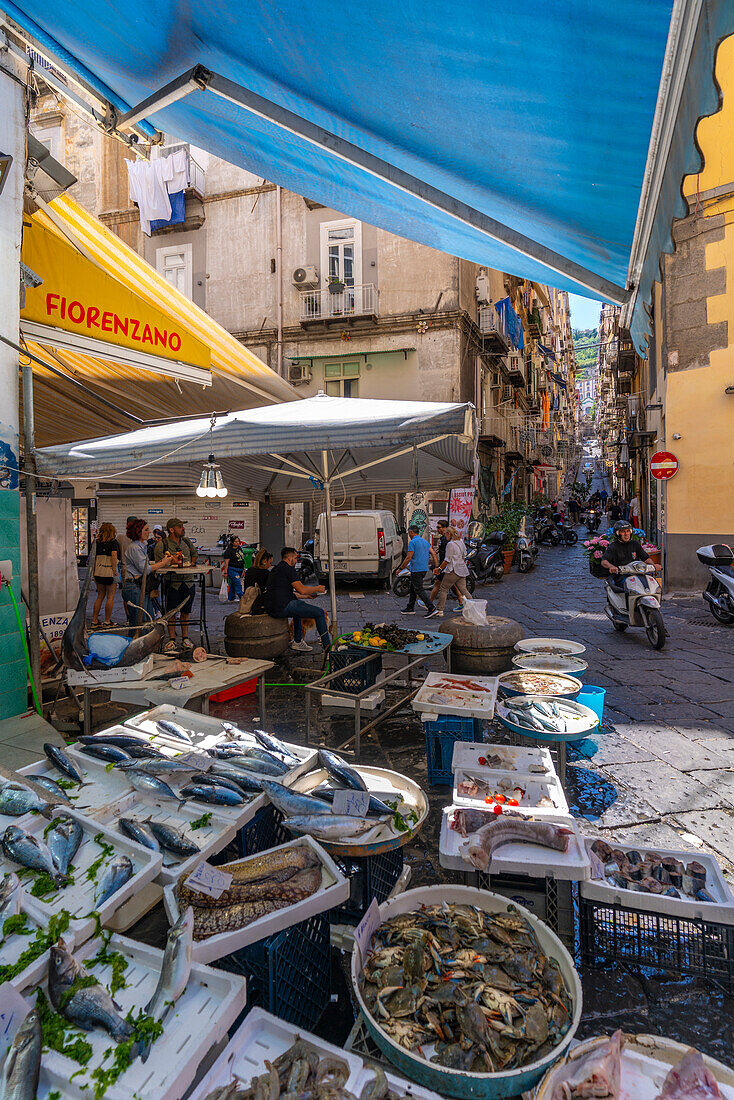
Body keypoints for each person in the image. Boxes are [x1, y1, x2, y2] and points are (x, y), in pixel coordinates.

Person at [264, 546, 331, 652]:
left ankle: (298, 641)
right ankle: (328, 648)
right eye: (295, 558)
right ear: (289, 558)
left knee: (299, 606)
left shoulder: (276, 568)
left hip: (272, 607)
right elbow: (302, 589)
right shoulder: (288, 569)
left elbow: (289, 593)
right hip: (282, 607)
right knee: (319, 613)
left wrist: (307, 596)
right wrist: (318, 588)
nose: (296, 561)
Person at [155, 517, 198, 653]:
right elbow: (158, 564)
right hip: (172, 583)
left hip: (188, 582)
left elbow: (194, 554)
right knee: (171, 612)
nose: (183, 528)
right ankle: (172, 640)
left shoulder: (186, 541)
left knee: (186, 611)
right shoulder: (162, 545)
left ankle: (185, 638)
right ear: (172, 530)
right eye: (180, 526)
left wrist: (191, 564)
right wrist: (171, 563)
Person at [123, 519, 173, 625]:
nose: (149, 532)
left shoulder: (140, 546)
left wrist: (160, 562)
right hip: (134, 587)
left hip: (140, 586)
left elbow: (146, 564)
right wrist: (163, 563)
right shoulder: (135, 548)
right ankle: (137, 641)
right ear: (138, 532)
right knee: (139, 622)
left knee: (147, 619)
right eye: (146, 530)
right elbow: (145, 569)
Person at [398, 525, 439, 617]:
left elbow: (409, 557)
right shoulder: (425, 542)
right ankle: (410, 607)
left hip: (416, 569)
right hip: (424, 568)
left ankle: (431, 608)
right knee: (413, 588)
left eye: (409, 533)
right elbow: (433, 554)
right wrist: (436, 566)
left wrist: (400, 568)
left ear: (412, 532)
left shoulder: (412, 542)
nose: (409, 535)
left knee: (419, 589)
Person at [600, 520, 653, 588]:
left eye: (628, 531)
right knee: (631, 585)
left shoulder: (635, 544)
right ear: (617, 533)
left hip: (637, 574)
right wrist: (611, 566)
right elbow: (604, 561)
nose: (626, 534)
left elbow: (646, 558)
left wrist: (653, 566)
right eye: (623, 531)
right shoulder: (613, 546)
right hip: (621, 577)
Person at [433, 526, 471, 615]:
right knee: (464, 590)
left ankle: (439, 609)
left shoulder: (450, 544)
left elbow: (447, 560)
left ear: (449, 534)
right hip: (462, 568)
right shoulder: (461, 542)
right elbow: (464, 554)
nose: (445, 535)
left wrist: (439, 569)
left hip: (453, 569)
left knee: (444, 589)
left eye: (446, 533)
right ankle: (473, 606)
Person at [91, 523, 119, 627]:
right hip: (109, 573)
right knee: (110, 597)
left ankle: (94, 620)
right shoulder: (113, 542)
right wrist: (114, 569)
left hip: (98, 572)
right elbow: (114, 555)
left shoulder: (96, 542)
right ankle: (107, 621)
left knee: (100, 596)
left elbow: (93, 556)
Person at [241, 548, 273, 614]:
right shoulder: (265, 573)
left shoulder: (249, 570)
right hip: (257, 604)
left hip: (247, 602)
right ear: (264, 561)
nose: (270, 565)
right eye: (270, 563)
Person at [222, 535, 246, 602]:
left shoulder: (239, 548)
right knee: (237, 583)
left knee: (233, 583)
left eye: (238, 541)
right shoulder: (229, 551)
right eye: (235, 541)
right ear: (232, 542)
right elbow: (226, 562)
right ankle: (243, 598)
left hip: (240, 569)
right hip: (232, 569)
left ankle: (231, 597)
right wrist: (225, 572)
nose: (237, 543)